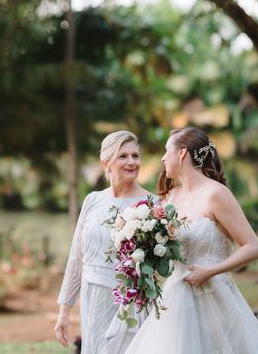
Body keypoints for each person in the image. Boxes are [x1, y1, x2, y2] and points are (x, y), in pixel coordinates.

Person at [124, 126, 258, 353]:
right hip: (176, 299)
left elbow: (253, 247)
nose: (162, 158)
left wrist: (211, 271)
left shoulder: (216, 194)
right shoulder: (170, 198)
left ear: (182, 153)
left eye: (167, 151)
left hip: (215, 298)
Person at [55, 130, 152, 354]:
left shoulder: (151, 203)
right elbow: (76, 257)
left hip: (130, 304)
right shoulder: (93, 200)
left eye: (135, 156)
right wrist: (64, 311)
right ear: (105, 163)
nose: (132, 162)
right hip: (93, 299)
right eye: (123, 156)